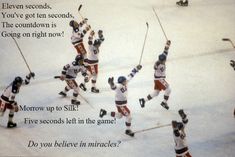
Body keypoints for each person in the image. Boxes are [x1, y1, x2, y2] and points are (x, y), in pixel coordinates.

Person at [99, 65, 142, 137]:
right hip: (120, 104)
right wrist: (111, 84)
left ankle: (105, 113)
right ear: (122, 82)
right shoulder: (119, 86)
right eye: (125, 81)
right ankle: (128, 130)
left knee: (119, 116)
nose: (126, 81)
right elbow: (113, 87)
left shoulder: (125, 82)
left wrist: (136, 68)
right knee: (128, 116)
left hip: (122, 104)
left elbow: (131, 75)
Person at [139, 40, 171, 110]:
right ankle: (164, 102)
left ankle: (143, 100)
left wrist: (167, 44)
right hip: (159, 79)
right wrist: (156, 65)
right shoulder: (158, 64)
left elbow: (165, 51)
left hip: (157, 80)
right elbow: (155, 67)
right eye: (164, 61)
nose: (165, 61)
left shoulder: (162, 59)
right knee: (168, 89)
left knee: (156, 93)